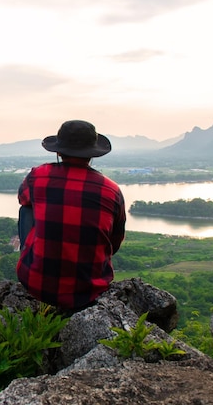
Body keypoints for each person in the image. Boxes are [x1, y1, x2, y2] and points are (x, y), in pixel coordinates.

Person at [16, 120, 126, 313]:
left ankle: (33, 260)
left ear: (58, 151)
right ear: (93, 154)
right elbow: (114, 242)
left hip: (36, 284)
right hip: (90, 290)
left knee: (26, 208)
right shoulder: (111, 190)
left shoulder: (38, 176)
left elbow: (23, 198)